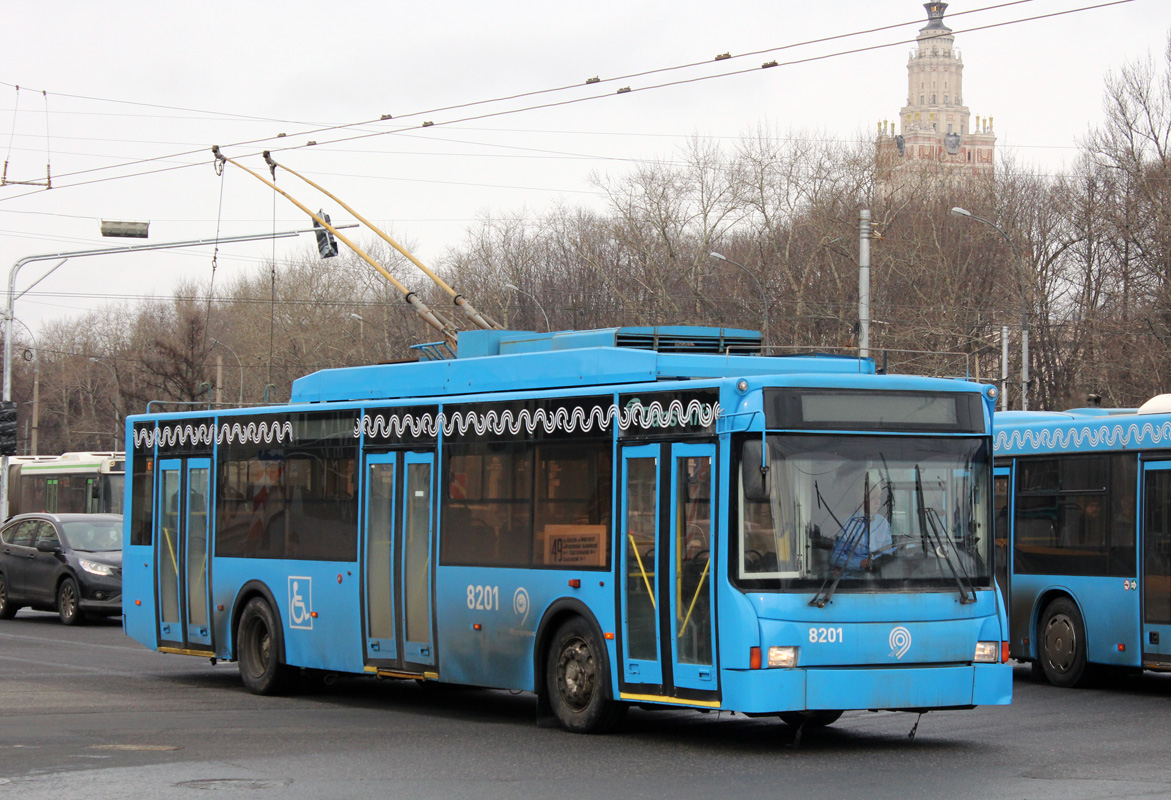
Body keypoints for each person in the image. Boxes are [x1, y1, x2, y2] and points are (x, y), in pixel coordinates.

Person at [831, 479, 892, 572]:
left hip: (878, 575)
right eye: (873, 498)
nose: (877, 502)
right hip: (853, 577)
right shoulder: (849, 523)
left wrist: (879, 562)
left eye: (879, 498)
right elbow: (836, 557)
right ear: (862, 500)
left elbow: (888, 552)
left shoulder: (883, 523)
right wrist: (859, 563)